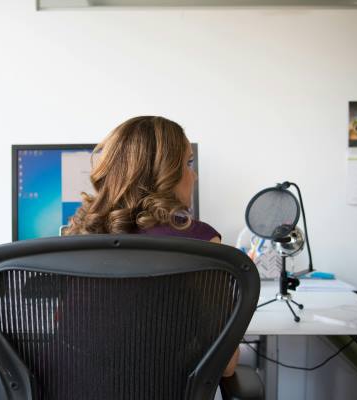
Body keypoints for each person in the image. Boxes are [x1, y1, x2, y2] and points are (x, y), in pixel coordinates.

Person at [65, 115, 240, 378]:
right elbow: (225, 366)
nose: (195, 176)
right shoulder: (200, 244)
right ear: (166, 173)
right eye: (188, 163)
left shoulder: (78, 238)